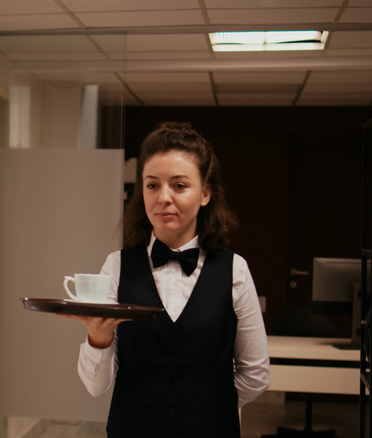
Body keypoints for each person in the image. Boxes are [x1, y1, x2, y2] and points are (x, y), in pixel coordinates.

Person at [63, 121, 269, 437]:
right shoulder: (117, 266)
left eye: (179, 185)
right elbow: (95, 387)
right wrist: (98, 338)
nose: (163, 197)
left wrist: (207, 410)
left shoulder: (235, 270)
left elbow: (255, 375)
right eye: (152, 185)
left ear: (205, 193)